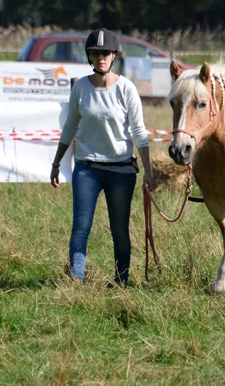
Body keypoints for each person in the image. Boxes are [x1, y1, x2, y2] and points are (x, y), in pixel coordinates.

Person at [50, 29, 152, 285]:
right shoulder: (81, 88)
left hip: (121, 170)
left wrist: (149, 170)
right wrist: (56, 163)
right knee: (81, 227)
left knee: (119, 230)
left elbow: (139, 131)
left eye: (105, 53)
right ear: (90, 57)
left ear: (114, 55)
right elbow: (70, 127)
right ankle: (76, 280)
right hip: (87, 168)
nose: (101, 58)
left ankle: (121, 280)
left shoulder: (127, 89)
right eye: (96, 53)